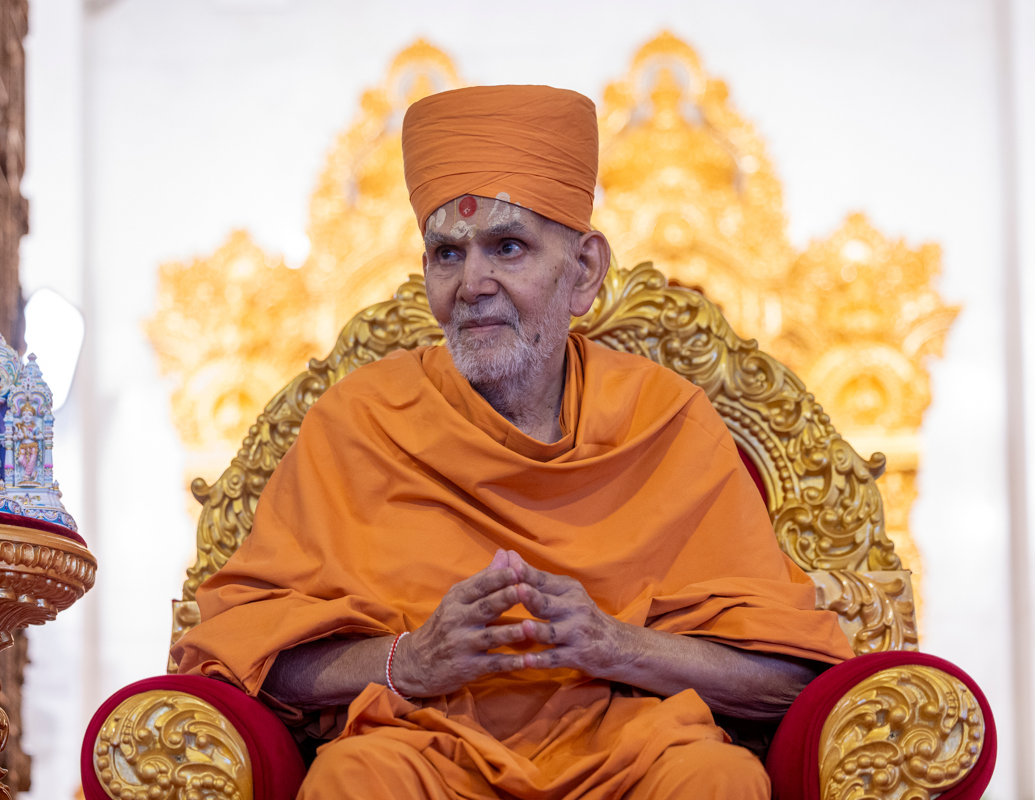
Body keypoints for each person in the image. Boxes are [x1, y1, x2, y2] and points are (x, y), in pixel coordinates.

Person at [173, 85, 854, 800]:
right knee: (354, 778)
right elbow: (241, 651)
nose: (473, 284)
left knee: (715, 778)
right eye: (446, 253)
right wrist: (411, 659)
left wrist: (613, 645)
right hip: (425, 749)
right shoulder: (359, 424)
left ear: (584, 270)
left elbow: (792, 678)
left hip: (634, 752)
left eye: (507, 246)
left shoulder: (663, 420)